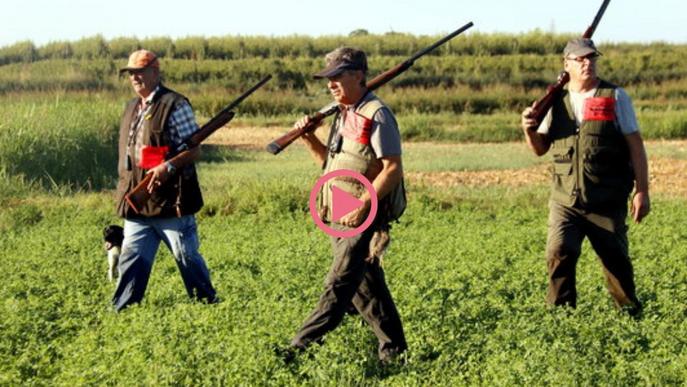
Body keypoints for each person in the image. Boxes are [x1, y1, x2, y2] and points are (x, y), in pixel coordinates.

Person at [283, 47, 408, 362]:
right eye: (328, 78)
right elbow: (330, 163)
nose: (331, 84)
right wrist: (308, 137)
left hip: (360, 218)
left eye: (338, 76)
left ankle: (296, 350)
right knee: (367, 289)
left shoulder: (376, 114)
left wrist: (364, 205)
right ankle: (395, 353)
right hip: (338, 215)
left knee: (337, 287)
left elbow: (392, 168)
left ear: (358, 75)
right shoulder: (343, 114)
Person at [521, 38, 650, 315]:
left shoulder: (615, 97)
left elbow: (635, 145)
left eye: (591, 58)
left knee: (615, 262)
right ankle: (561, 319)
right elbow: (540, 149)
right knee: (559, 252)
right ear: (566, 65)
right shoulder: (554, 100)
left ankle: (630, 316)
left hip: (605, 199)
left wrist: (642, 191)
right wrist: (528, 129)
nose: (587, 63)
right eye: (580, 59)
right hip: (565, 199)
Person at [112, 49, 217, 311]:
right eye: (131, 73)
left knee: (186, 257)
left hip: (171, 200)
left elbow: (194, 149)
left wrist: (167, 167)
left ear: (155, 72)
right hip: (137, 200)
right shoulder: (131, 108)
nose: (135, 77)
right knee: (131, 259)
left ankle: (208, 306)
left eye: (140, 71)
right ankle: (122, 312)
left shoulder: (174, 104)